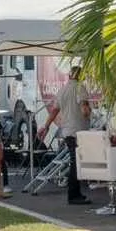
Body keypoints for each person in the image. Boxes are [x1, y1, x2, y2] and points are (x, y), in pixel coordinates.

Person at [39, 64, 92, 205]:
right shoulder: (80, 88)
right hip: (79, 131)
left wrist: (46, 126)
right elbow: (84, 109)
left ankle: (75, 193)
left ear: (69, 76)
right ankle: (73, 195)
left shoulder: (62, 90)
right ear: (81, 76)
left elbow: (54, 111)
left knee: (74, 162)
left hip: (67, 131)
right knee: (76, 163)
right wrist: (88, 113)